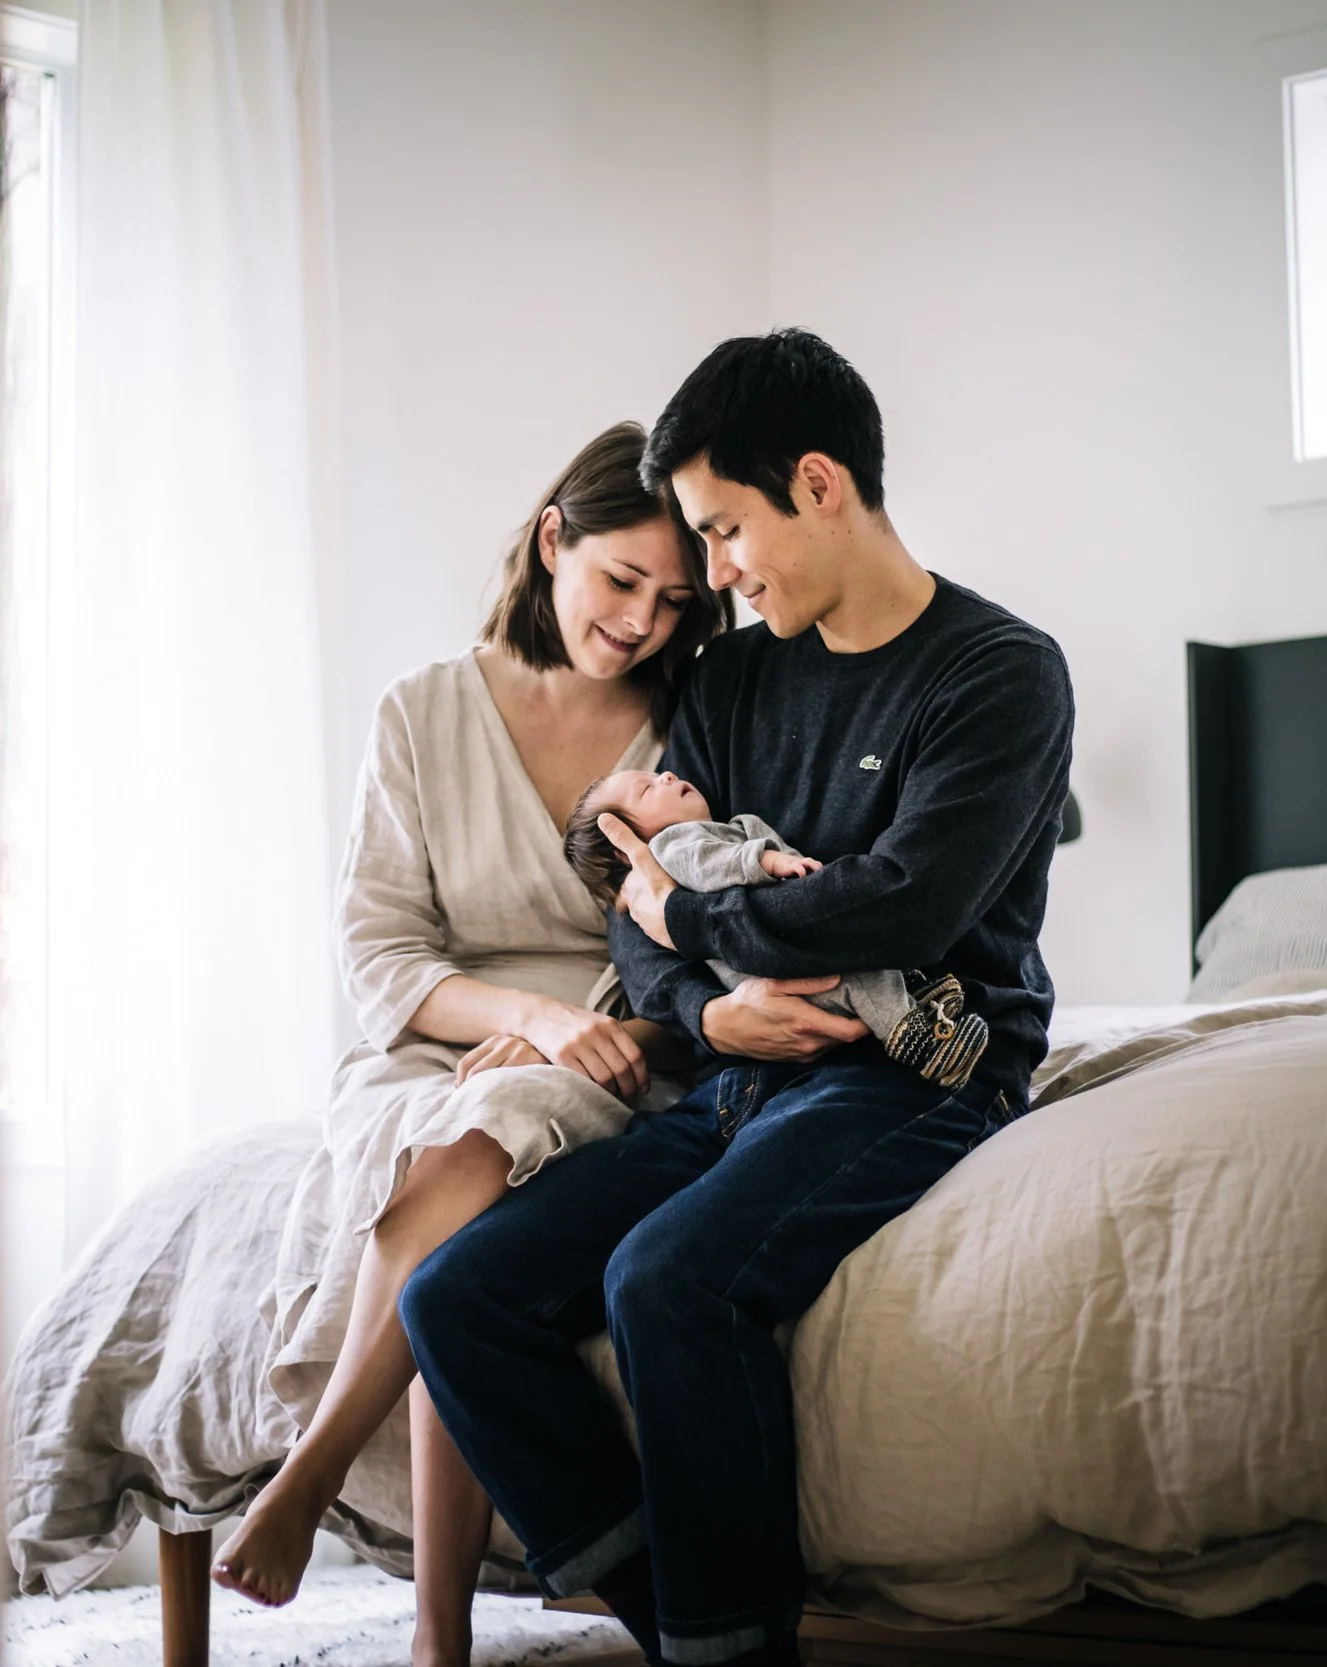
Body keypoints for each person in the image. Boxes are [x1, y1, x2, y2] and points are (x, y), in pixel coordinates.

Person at [400, 329, 1076, 1667]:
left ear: (819, 484)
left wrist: (693, 919)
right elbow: (630, 905)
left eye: (722, 531)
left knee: (668, 1279)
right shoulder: (731, 675)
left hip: (913, 1071)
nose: (711, 578)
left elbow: (900, 904)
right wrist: (708, 1011)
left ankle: (723, 1635)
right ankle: (702, 1629)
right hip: (728, 1073)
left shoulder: (1000, 671)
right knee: (452, 1297)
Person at [210, 421, 727, 1667]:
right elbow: (380, 953)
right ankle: (431, 1628)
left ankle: (332, 1480)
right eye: (619, 580)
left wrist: (575, 1032)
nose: (642, 621)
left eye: (672, 599)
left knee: (487, 1153)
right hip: (441, 1042)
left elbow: (699, 928)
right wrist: (521, 1019)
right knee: (456, 1138)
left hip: (617, 1047)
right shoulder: (421, 712)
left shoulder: (695, 720)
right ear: (554, 538)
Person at [561, 767, 988, 1087]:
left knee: (864, 968)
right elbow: (714, 865)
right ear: (626, 849)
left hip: (784, 956)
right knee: (856, 977)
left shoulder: (722, 829)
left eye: (657, 774)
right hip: (777, 974)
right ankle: (920, 1041)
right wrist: (769, 861)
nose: (667, 774)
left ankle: (912, 1001)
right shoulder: (673, 847)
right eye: (647, 788)